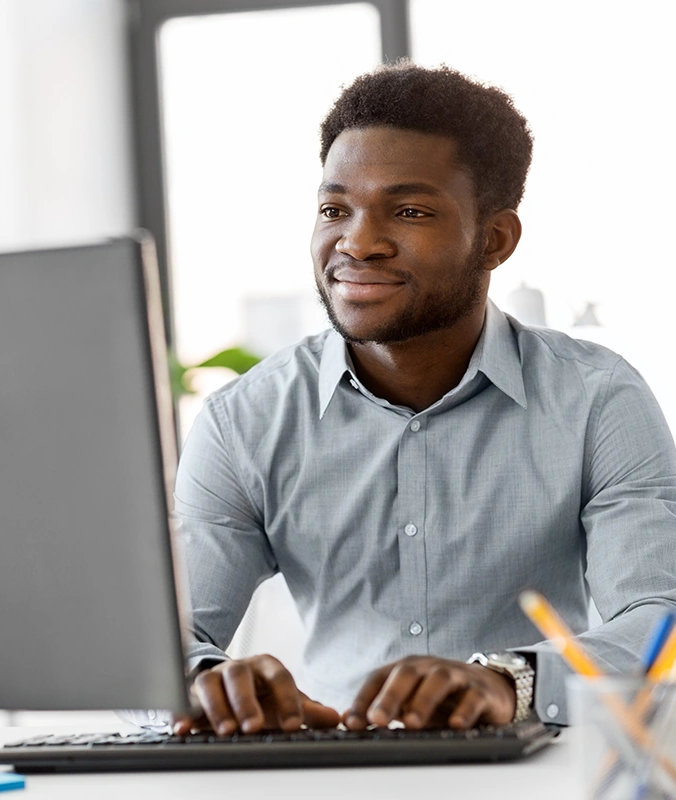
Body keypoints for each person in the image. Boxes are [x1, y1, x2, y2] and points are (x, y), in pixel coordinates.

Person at [171, 62, 676, 736]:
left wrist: (510, 680)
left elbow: (658, 618)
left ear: (495, 239)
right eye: (334, 208)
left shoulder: (597, 401)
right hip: (333, 775)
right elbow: (162, 640)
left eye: (409, 211)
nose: (358, 242)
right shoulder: (244, 421)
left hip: (541, 773)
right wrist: (207, 683)